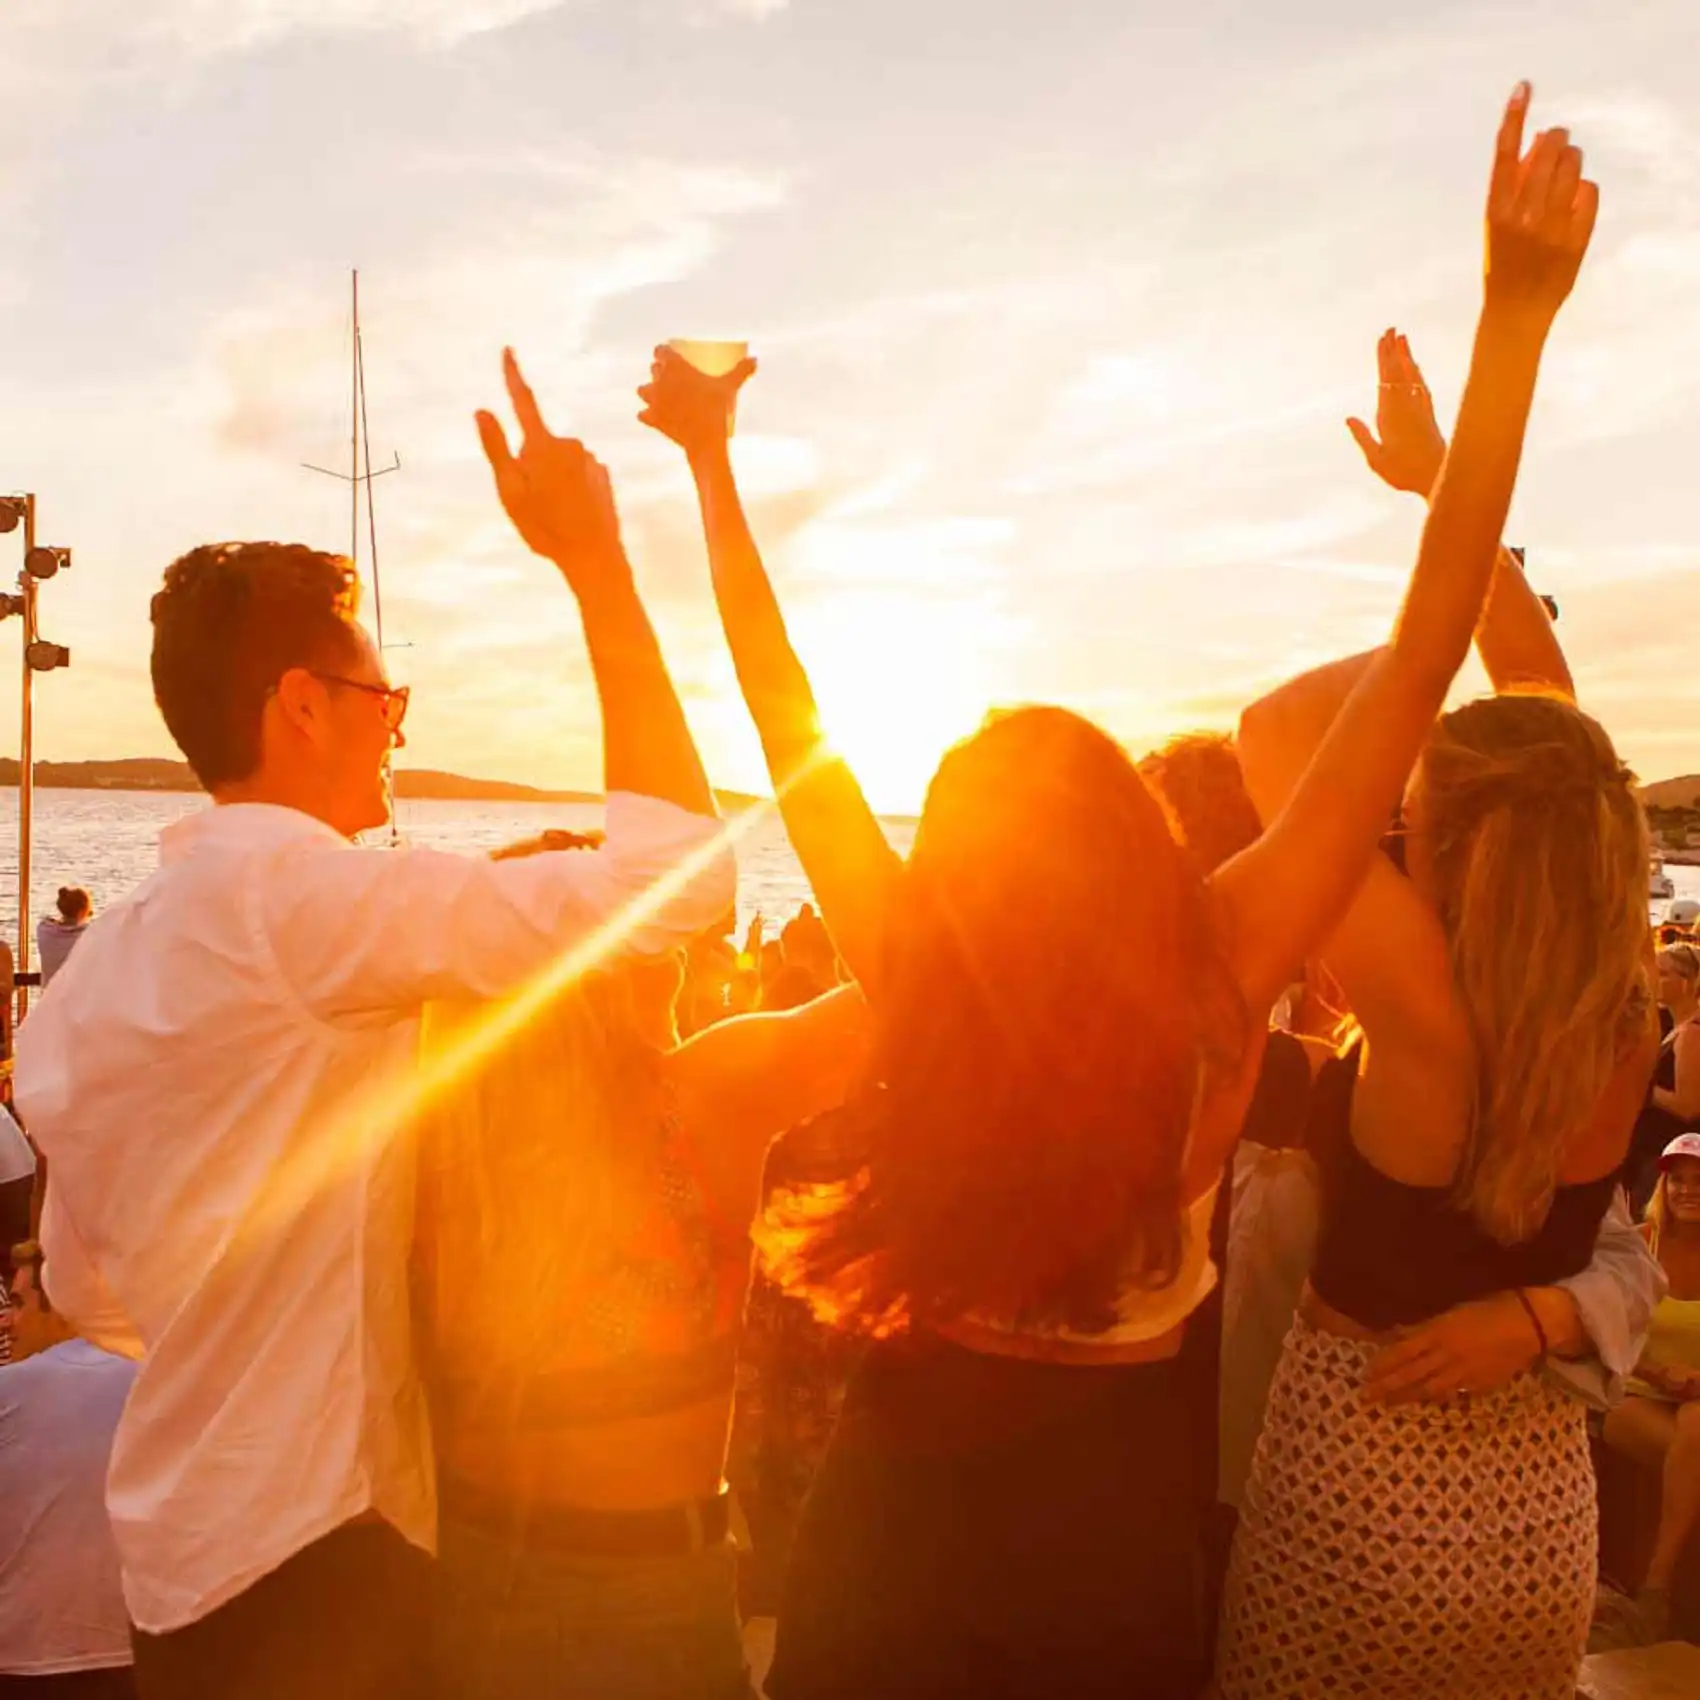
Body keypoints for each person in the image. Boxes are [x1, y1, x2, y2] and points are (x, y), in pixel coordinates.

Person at [640, 85, 1586, 1698]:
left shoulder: (921, 965)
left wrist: (712, 467)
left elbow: (781, 704)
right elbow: (1431, 640)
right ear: (1132, 837)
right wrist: (1514, 318)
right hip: (1112, 1522)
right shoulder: (1218, 966)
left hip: (898, 1506)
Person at [12, 349, 736, 1700]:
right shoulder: (304, 902)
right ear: (300, 705)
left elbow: (83, 1291)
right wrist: (595, 564)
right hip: (318, 1567)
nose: (397, 733)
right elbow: (677, 885)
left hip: (172, 1566)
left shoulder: (96, 973)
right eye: (381, 701)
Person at [1216, 124, 1644, 1697]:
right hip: (1540, 1526)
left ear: (1459, 838)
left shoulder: (1421, 1019)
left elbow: (1276, 739)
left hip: (1363, 1498)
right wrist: (1444, 476)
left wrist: (1406, 682)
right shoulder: (1619, 1006)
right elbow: (1554, 732)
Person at [413, 458, 868, 1700]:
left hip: (461, 1584)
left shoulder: (426, 1123)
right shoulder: (704, 1095)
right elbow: (907, 987)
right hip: (647, 1600)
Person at [0, 1243, 137, 1699]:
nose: (7, 1320)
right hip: (141, 1650)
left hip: (24, 1656)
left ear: (59, 1302)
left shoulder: (10, 1390)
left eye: (18, 1303)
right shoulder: (157, 1378)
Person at [1602, 1132, 1700, 1642]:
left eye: (1699, 1179)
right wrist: (1660, 1374)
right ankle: (1662, 1598)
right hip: (1637, 1396)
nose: (1688, 1189)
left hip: (1696, 1408)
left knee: (1696, 1426)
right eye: (1677, 1179)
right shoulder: (1642, 1242)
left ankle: (1654, 1592)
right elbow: (1604, 1333)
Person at [1626, 943, 1700, 1212]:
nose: (1654, 979)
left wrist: (1641, 1086)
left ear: (1688, 982)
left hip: (1670, 1153)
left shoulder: (1692, 1033)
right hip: (1653, 1151)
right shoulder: (1675, 1028)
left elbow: (1689, 1105)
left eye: (1664, 973)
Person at [35, 892, 91, 991]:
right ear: (82, 911)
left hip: (49, 996)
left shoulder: (44, 930)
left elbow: (47, 921)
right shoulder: (88, 934)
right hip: (77, 995)